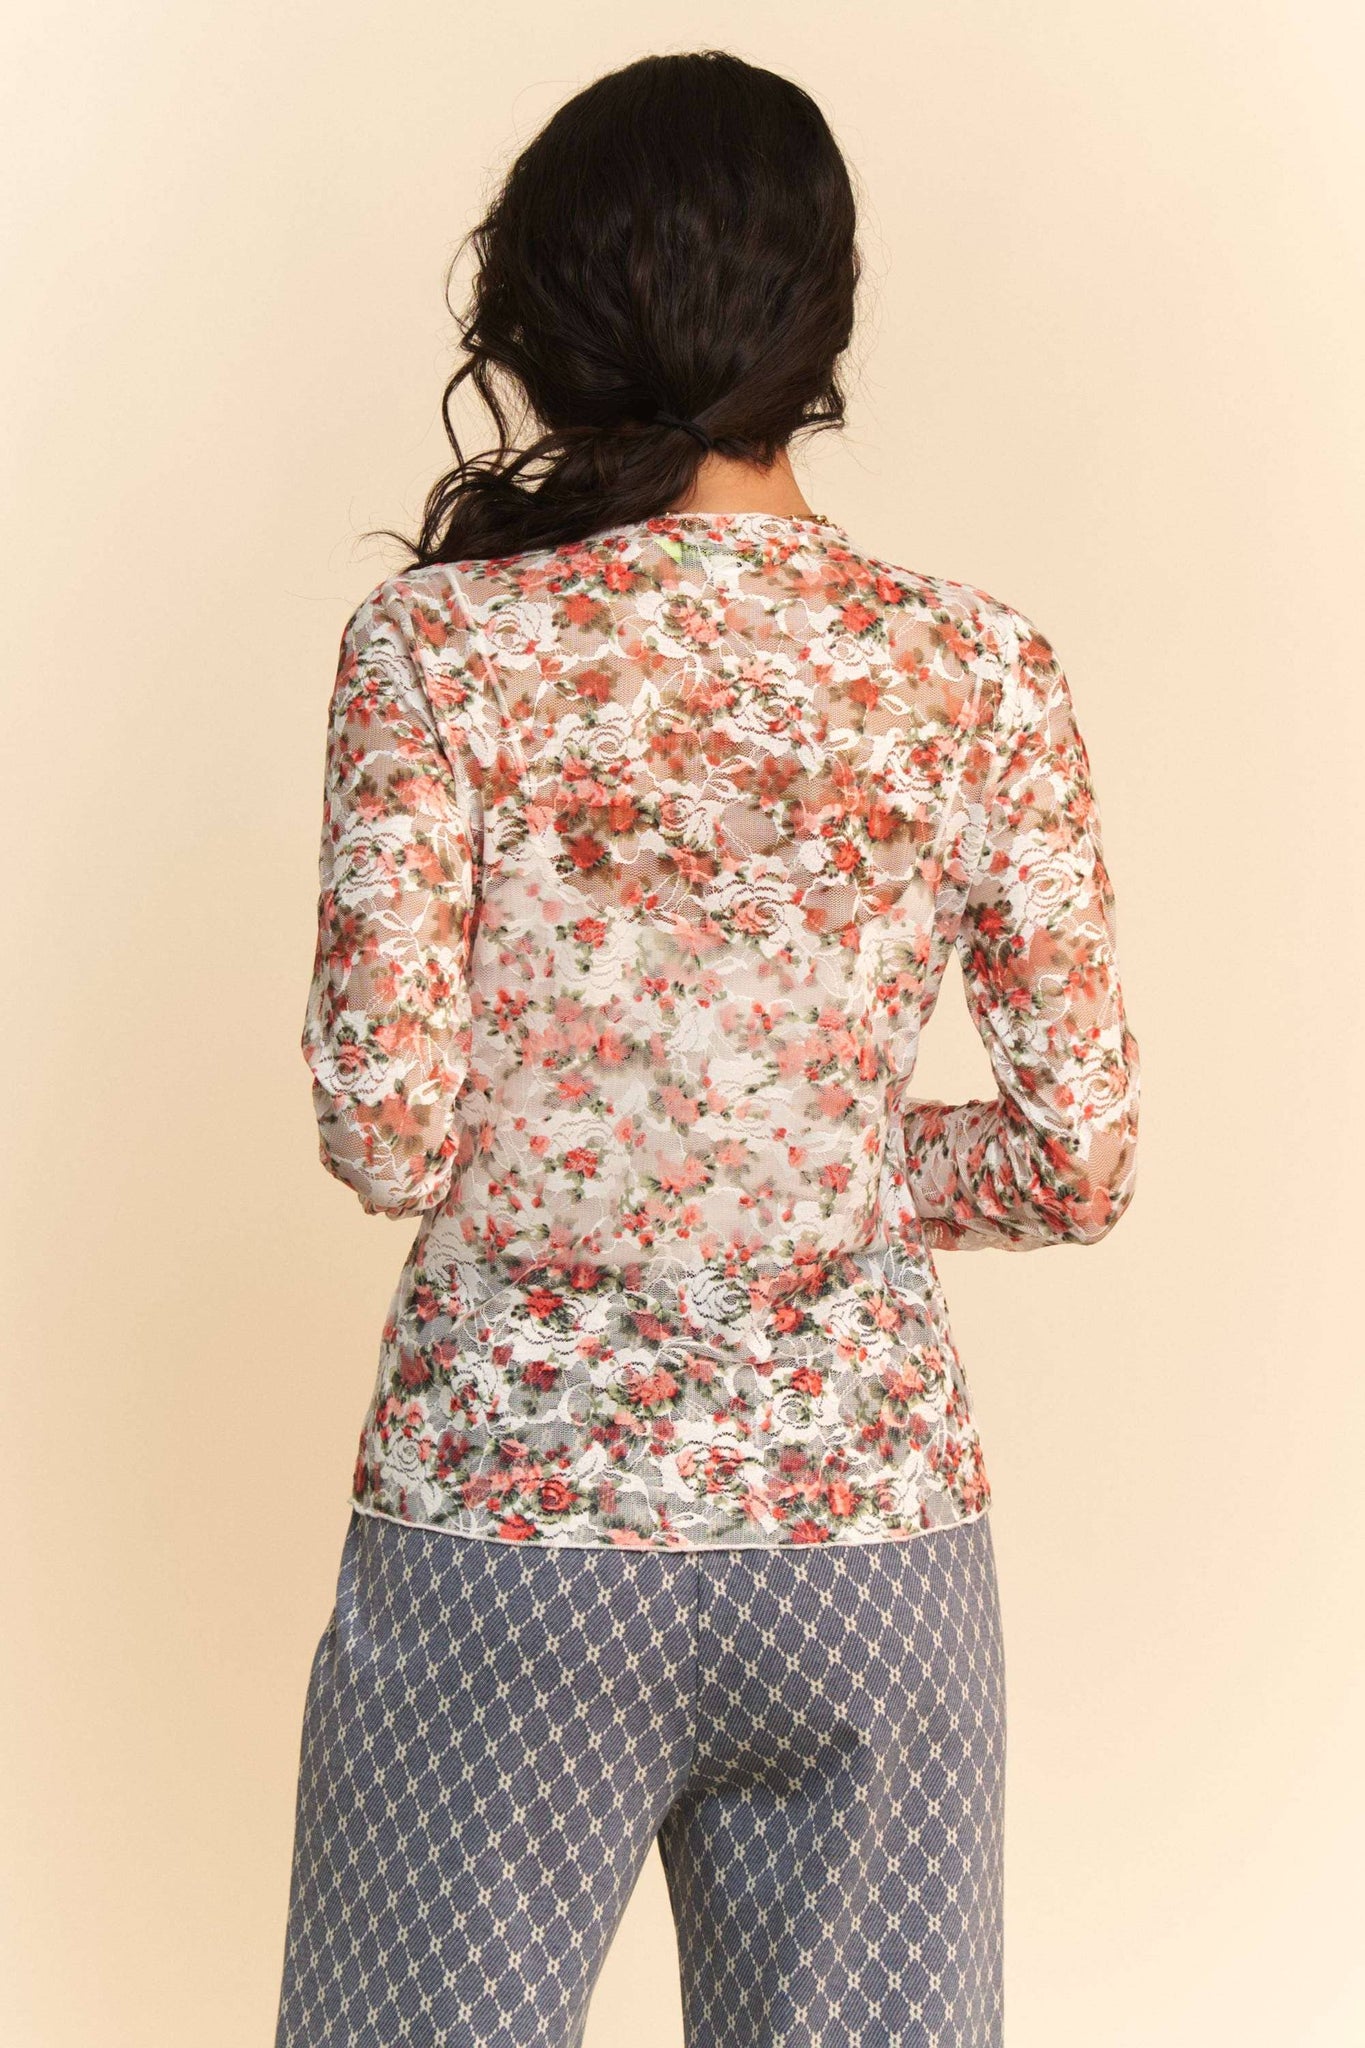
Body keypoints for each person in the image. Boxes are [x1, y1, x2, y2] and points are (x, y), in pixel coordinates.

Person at [273, 46, 1141, 2048]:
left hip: (511, 1516)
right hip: (869, 1531)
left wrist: (624, 1141)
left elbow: (389, 1128)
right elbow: (1073, 1157)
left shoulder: (439, 649)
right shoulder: (975, 664)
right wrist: (814, 1151)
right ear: (817, 320)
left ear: (544, 309)